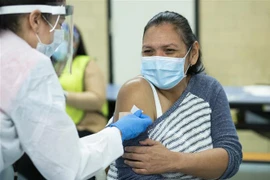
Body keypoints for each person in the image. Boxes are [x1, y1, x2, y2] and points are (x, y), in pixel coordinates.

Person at [0, 1, 152, 180]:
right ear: (35, 20)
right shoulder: (30, 65)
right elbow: (68, 167)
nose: (59, 37)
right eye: (59, 25)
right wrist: (117, 133)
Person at [107, 11, 242, 180]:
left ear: (193, 54)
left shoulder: (209, 89)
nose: (158, 59)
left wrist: (174, 160)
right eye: (149, 51)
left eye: (169, 50)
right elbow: (130, 172)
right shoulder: (133, 91)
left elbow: (231, 156)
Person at [53, 24, 108, 136]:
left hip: (87, 128)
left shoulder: (87, 63)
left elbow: (97, 100)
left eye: (65, 39)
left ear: (76, 42)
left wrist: (63, 96)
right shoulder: (54, 66)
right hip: (63, 128)